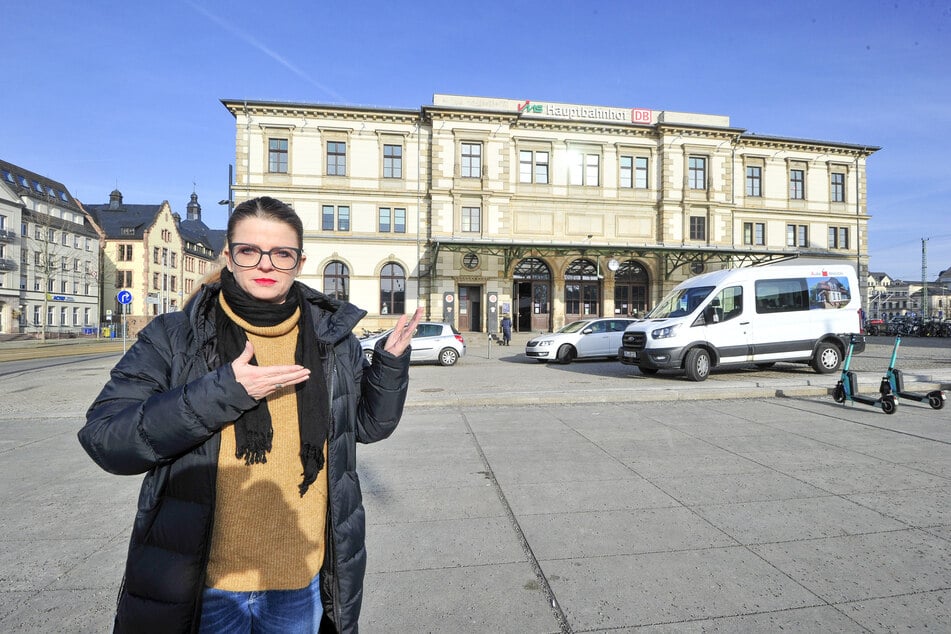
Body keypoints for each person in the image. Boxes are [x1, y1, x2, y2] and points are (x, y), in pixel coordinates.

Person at [78, 196, 422, 634]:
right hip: (202, 586)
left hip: (300, 581)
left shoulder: (332, 340)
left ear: (299, 262)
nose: (266, 264)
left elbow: (369, 427)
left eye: (281, 253)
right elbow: (106, 439)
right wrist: (221, 393)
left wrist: (390, 364)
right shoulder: (176, 335)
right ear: (229, 255)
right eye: (249, 250)